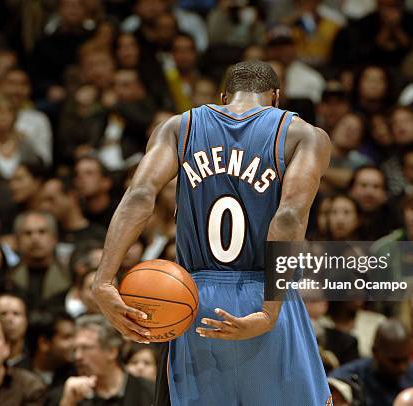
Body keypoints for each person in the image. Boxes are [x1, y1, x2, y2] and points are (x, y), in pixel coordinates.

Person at [92, 60, 332, 405]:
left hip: (191, 300)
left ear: (223, 97)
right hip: (265, 291)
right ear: (277, 98)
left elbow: (140, 195)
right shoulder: (303, 135)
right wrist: (268, 313)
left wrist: (103, 281)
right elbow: (290, 216)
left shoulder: (180, 127)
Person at [330, 319, 413, 406]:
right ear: (375, 352)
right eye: (394, 361)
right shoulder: (350, 377)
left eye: (406, 359)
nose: (402, 367)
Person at [55, 314, 154, 406]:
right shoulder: (69, 393)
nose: (78, 356)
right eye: (75, 349)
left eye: (86, 348)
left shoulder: (150, 392)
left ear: (111, 351)